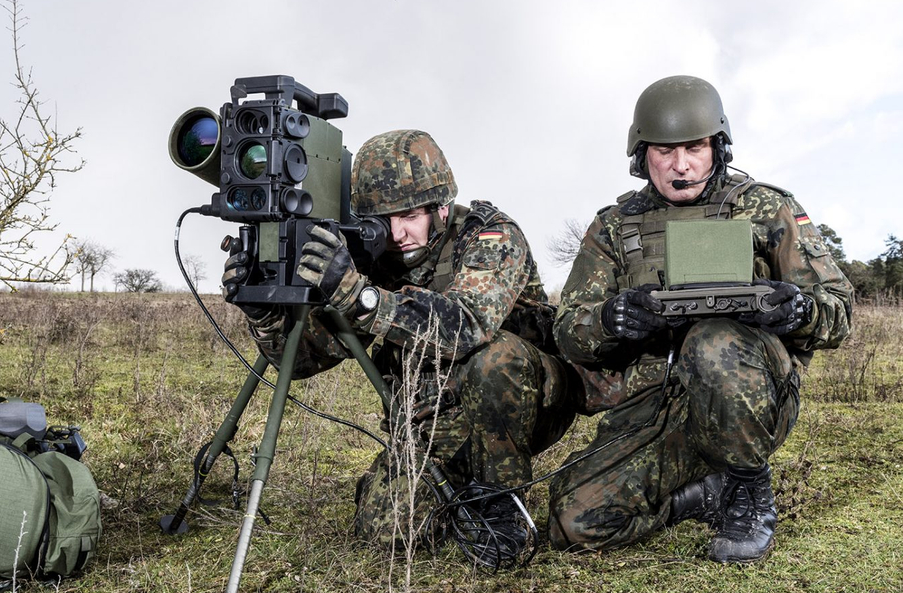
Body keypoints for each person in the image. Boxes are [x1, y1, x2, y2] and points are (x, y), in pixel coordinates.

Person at [223, 129, 589, 555]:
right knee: (388, 533)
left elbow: (464, 324)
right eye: (384, 220)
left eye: (410, 215)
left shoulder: (489, 236)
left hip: (522, 409)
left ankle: (499, 501)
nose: (398, 234)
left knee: (493, 357)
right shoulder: (373, 258)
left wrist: (362, 297)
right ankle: (440, 484)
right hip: (432, 423)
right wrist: (263, 310)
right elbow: (305, 361)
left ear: (441, 206)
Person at [547, 75, 853, 563]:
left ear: (719, 146)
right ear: (641, 155)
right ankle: (703, 494)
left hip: (751, 397)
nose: (681, 165)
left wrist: (795, 308)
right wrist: (611, 319)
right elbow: (568, 331)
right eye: (664, 151)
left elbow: (839, 310)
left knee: (711, 340)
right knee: (573, 521)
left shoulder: (765, 207)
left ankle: (749, 492)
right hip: (657, 400)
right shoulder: (613, 226)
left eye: (695, 147)